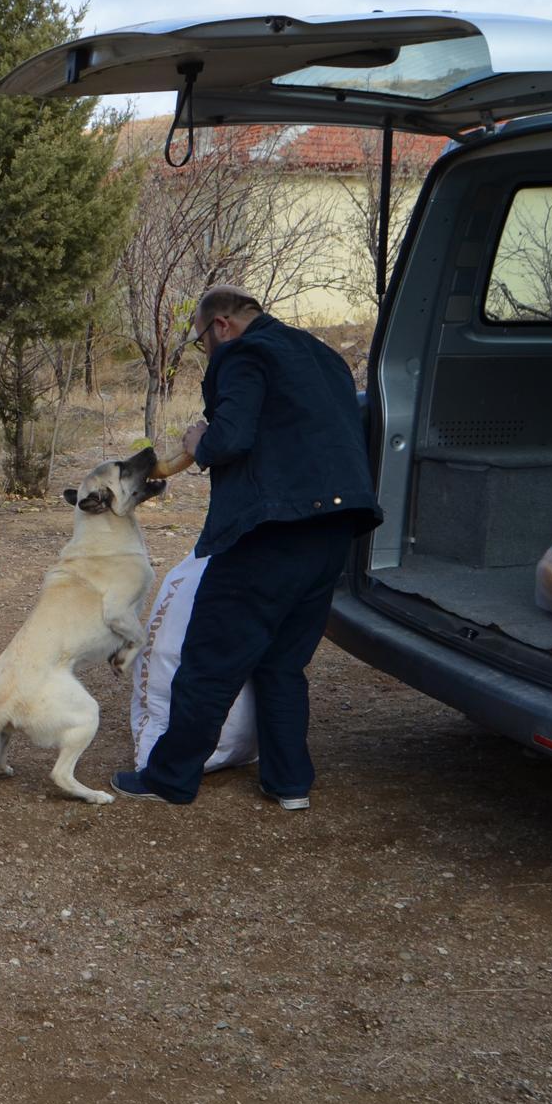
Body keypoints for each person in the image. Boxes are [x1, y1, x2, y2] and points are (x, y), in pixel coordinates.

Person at [112, 287, 380, 810]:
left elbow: (229, 439)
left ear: (222, 326)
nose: (206, 351)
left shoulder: (245, 353)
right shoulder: (322, 355)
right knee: (283, 662)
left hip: (270, 530)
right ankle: (289, 784)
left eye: (201, 342)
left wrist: (197, 440)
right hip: (335, 529)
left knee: (210, 658)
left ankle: (169, 778)